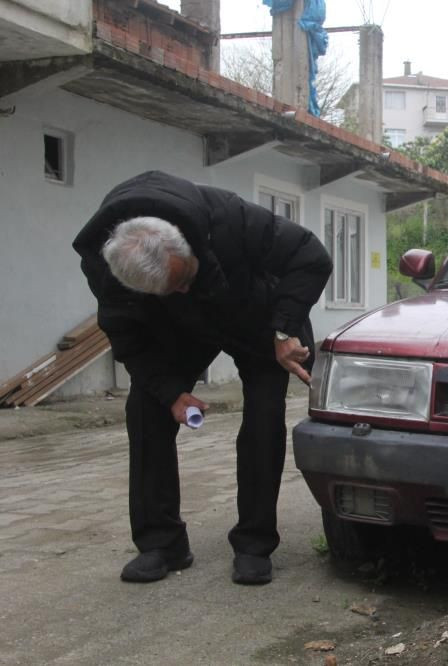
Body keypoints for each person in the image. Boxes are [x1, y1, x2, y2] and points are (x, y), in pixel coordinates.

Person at [73, 171, 332, 585]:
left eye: (185, 279)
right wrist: (170, 392)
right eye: (169, 290)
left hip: (256, 317)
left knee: (264, 415)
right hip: (180, 330)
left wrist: (284, 331)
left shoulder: (230, 217)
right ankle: (162, 543)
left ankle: (254, 543)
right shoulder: (109, 270)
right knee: (145, 409)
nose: (182, 289)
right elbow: (128, 337)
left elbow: (311, 256)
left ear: (188, 245)